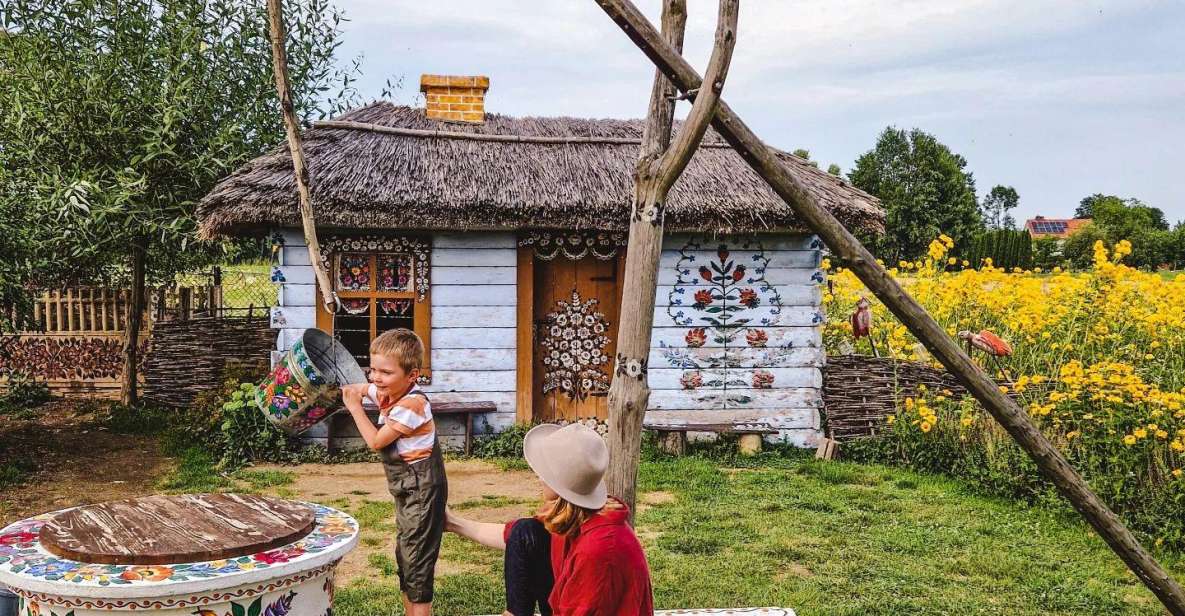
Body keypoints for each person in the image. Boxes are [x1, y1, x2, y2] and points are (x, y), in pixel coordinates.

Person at [446, 423, 654, 616]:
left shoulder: (598, 551)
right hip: (568, 601)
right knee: (525, 531)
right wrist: (452, 523)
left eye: (545, 470)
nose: (539, 476)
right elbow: (514, 537)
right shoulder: (574, 514)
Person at [341, 328, 446, 616]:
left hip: (422, 489)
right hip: (407, 489)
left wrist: (354, 408)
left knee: (417, 563)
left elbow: (376, 441)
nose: (375, 378)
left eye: (385, 372)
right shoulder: (388, 390)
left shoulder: (413, 404)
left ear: (411, 376)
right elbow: (365, 389)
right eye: (372, 369)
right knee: (405, 556)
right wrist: (354, 389)